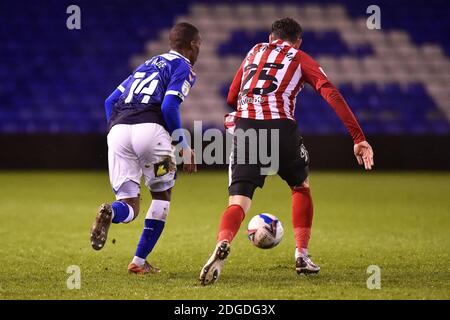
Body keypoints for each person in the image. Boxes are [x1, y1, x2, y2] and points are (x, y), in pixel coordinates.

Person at [199, 18, 374, 285]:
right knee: (300, 186)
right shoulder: (300, 57)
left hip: (246, 129)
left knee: (238, 202)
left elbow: (232, 96)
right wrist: (358, 137)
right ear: (298, 41)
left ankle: (223, 242)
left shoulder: (254, 51)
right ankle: (302, 255)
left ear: (271, 38)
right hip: (282, 128)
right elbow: (331, 93)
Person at [90, 22, 201, 274]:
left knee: (129, 204)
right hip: (151, 134)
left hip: (118, 131)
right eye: (199, 45)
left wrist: (116, 130)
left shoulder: (145, 64)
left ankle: (110, 212)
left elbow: (110, 101)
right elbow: (169, 105)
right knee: (161, 196)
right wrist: (183, 143)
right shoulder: (183, 66)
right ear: (192, 46)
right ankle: (138, 262)